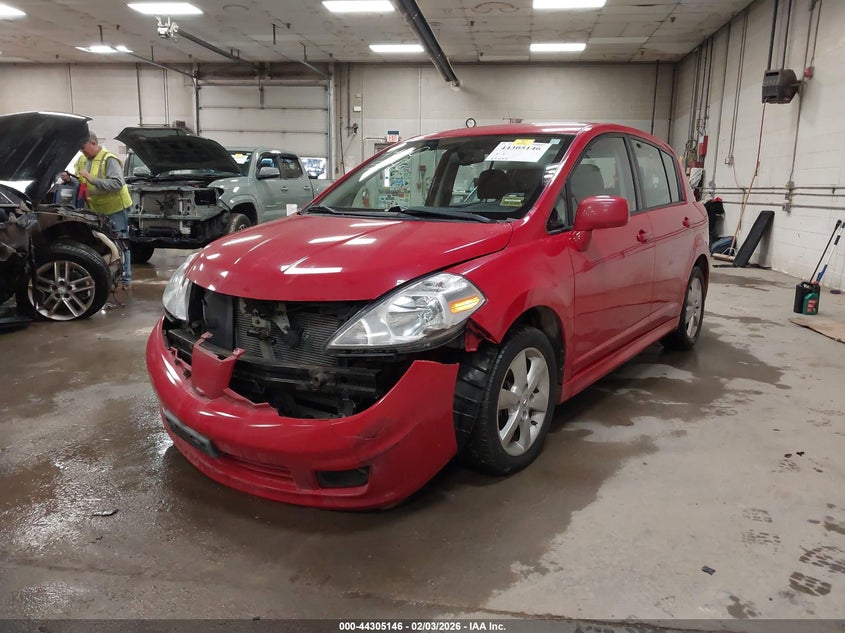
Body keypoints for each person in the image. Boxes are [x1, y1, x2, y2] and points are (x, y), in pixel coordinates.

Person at [71, 131, 133, 290]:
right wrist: (69, 178)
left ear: (93, 143)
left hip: (115, 208)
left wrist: (92, 180)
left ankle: (125, 279)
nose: (81, 151)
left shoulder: (109, 159)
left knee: (120, 242)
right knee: (102, 243)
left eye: (83, 147)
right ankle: (108, 275)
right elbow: (80, 178)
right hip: (95, 209)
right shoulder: (82, 159)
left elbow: (117, 183)